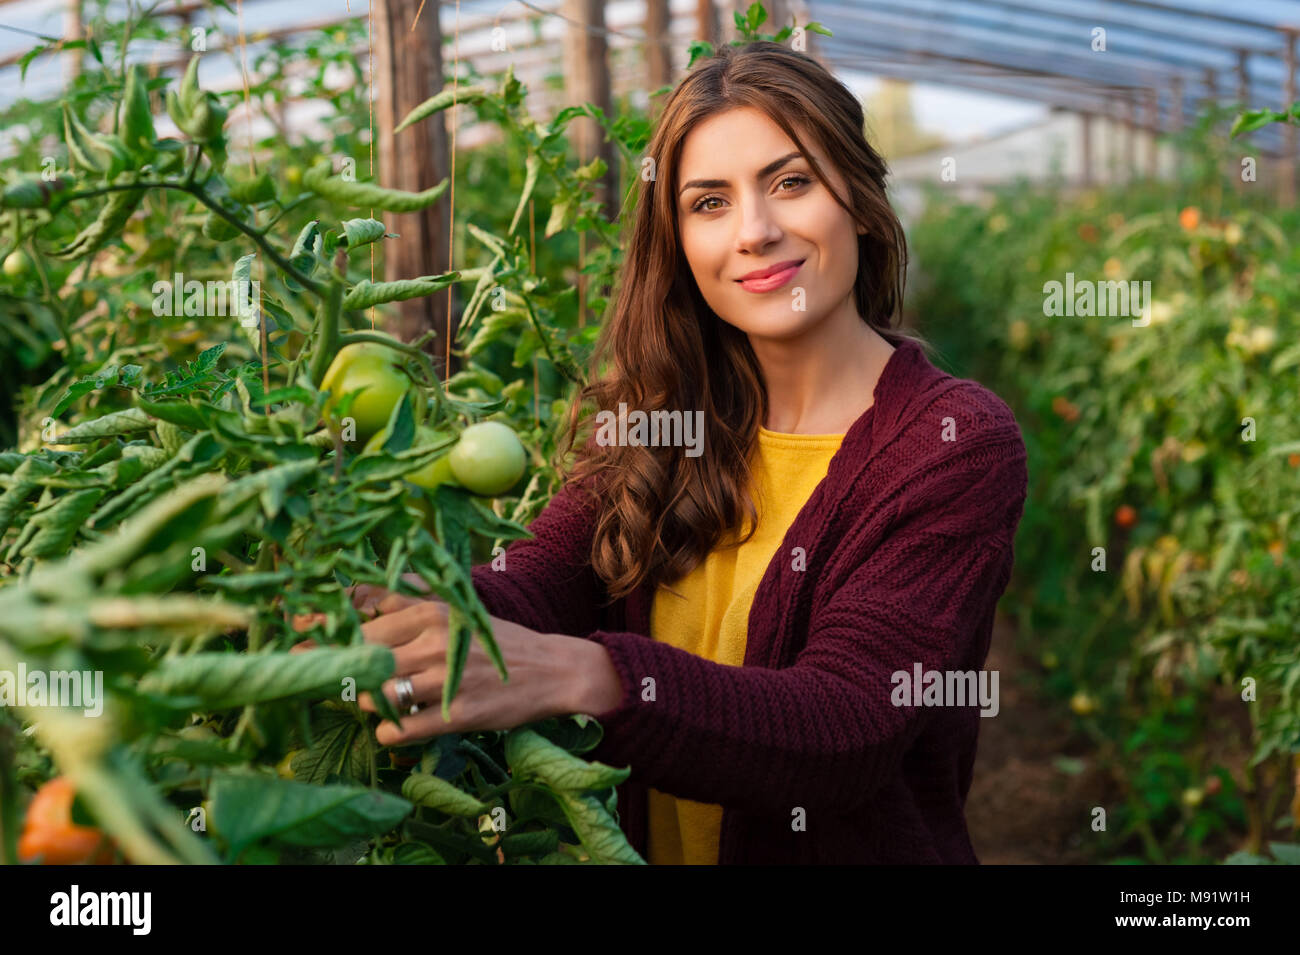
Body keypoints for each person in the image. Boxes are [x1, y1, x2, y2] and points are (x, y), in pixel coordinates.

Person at [339, 41, 1027, 864]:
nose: (756, 232)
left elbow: (847, 723)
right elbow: (540, 587)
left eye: (791, 182)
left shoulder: (950, 444)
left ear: (860, 198)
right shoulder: (658, 415)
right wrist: (408, 598)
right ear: (677, 236)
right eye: (709, 203)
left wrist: (587, 676)